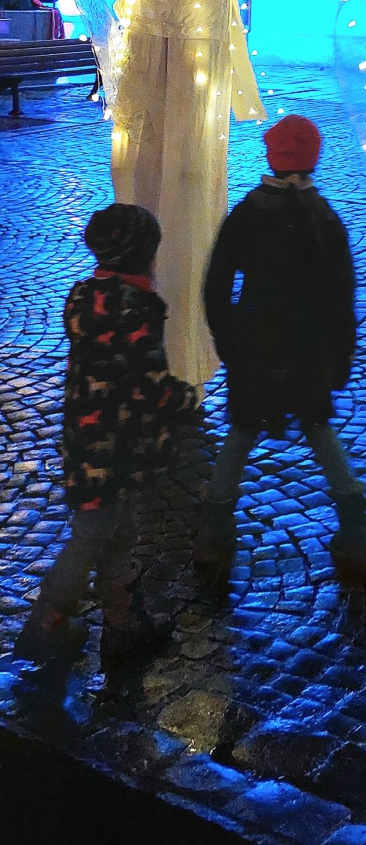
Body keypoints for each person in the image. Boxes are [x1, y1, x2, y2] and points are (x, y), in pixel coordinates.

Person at [54, 0, 362, 389]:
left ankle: (187, 260)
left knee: (191, 138)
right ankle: (138, 232)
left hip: (196, 3)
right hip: (145, 2)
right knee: (139, 129)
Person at [13, 205, 197, 675]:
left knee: (120, 528)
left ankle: (123, 622)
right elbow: (149, 380)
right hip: (116, 445)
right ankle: (45, 624)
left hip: (84, 435)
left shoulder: (82, 296)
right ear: (144, 257)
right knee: (91, 536)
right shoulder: (137, 308)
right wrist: (185, 398)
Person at [195, 114, 366, 589]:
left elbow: (217, 284)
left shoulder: (247, 214)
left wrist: (227, 338)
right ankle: (355, 529)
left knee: (241, 431)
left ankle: (213, 531)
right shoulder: (324, 219)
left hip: (255, 341)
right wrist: (341, 355)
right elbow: (343, 295)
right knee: (319, 429)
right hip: (309, 345)